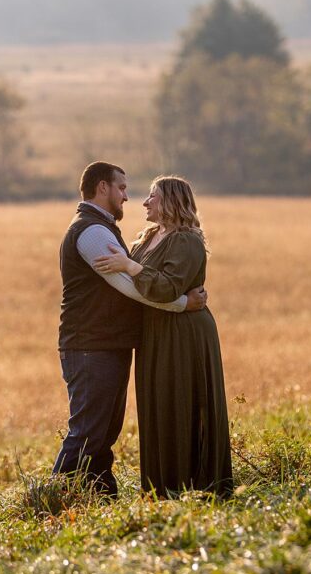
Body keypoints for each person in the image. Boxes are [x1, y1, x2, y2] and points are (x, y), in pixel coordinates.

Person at [53, 162, 208, 498]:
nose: (127, 196)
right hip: (91, 345)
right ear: (102, 188)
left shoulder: (103, 227)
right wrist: (183, 304)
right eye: (121, 188)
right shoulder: (92, 232)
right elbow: (127, 285)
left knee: (104, 430)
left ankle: (101, 497)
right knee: (88, 430)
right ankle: (55, 498)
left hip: (106, 343)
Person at [92, 175, 233, 499]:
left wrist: (131, 267)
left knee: (181, 400)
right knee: (157, 404)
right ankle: (161, 489)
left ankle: (196, 486)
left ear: (170, 201)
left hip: (183, 333)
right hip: (155, 331)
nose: (144, 202)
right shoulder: (148, 237)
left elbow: (167, 286)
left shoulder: (186, 241)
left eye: (152, 196)